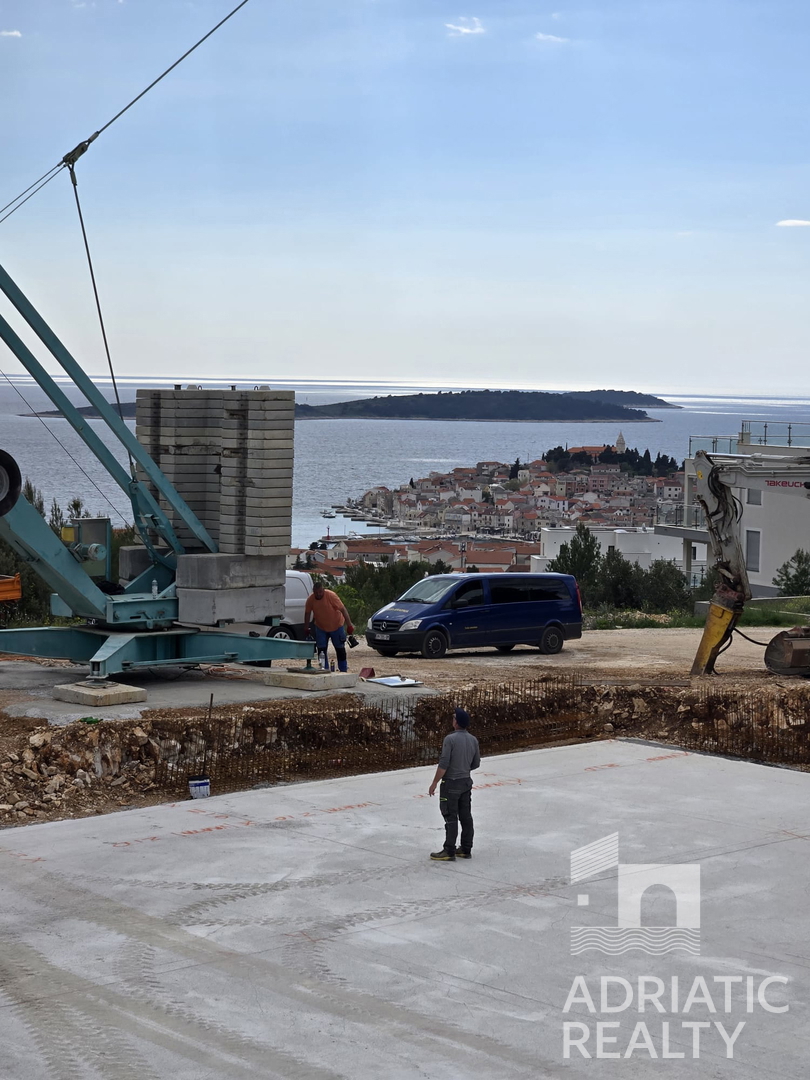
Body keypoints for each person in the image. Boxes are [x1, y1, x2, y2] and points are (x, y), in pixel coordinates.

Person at [428, 707, 480, 861]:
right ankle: (465, 848)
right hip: (465, 783)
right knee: (466, 816)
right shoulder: (473, 740)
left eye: (453, 717)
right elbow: (476, 763)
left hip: (450, 784)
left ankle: (449, 850)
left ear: (456, 722)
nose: (452, 719)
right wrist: (463, 768)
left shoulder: (449, 739)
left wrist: (435, 782)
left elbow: (444, 764)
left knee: (450, 816)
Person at [303, 581, 355, 672]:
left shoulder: (331, 596)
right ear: (313, 591)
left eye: (320, 592)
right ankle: (324, 670)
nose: (318, 594)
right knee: (321, 651)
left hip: (336, 626)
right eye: (316, 593)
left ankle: (343, 670)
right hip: (321, 627)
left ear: (323, 590)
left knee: (340, 650)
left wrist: (349, 625)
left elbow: (343, 610)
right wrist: (306, 627)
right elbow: (307, 613)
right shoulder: (310, 599)